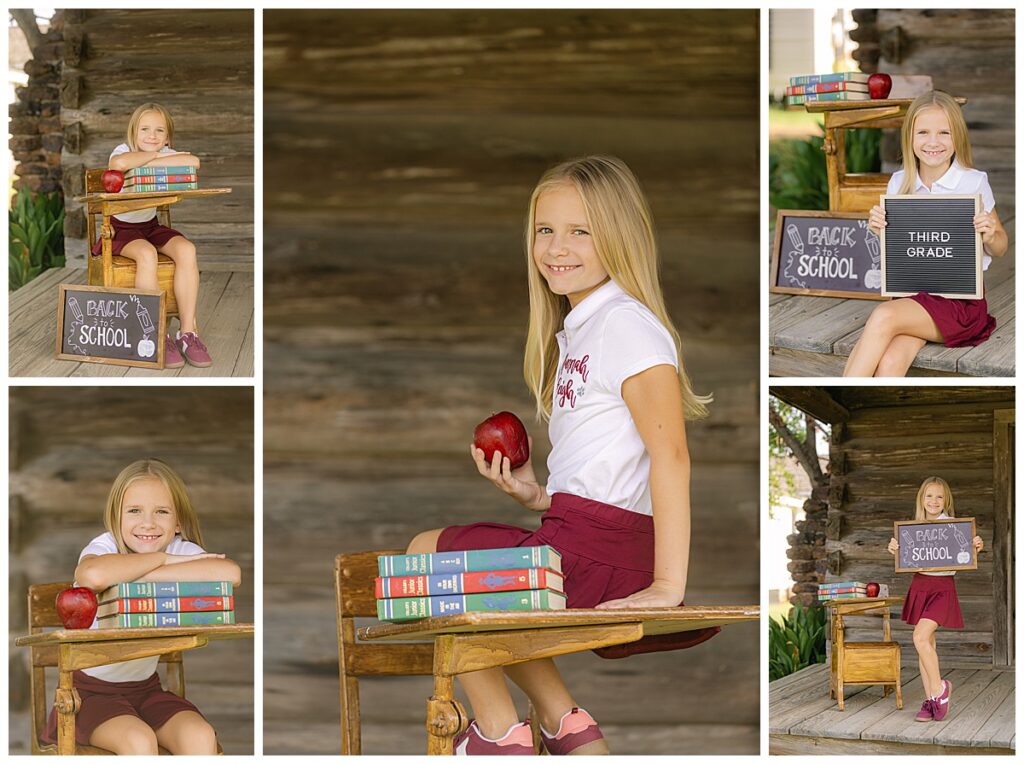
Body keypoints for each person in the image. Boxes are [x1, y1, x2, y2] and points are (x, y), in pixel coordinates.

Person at [405, 156, 719, 755]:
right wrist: (539, 496)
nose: (557, 247)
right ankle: (566, 726)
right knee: (494, 595)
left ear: (619, 236)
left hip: (606, 550)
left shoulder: (627, 325)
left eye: (581, 231)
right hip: (581, 532)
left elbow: (671, 456)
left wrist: (669, 583)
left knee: (430, 555)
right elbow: (609, 467)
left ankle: (499, 732)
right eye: (545, 230)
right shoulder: (580, 327)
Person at [42, 459, 242, 754]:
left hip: (146, 691)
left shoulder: (178, 547)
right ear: (116, 518)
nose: (148, 523)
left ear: (177, 522)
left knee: (200, 736)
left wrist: (141, 570)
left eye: (161, 512)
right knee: (139, 741)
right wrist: (163, 560)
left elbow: (230, 574)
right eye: (134, 511)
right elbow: (92, 575)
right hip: (88, 695)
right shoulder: (105, 547)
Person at [843, 91, 1008, 377]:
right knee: (891, 361)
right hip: (912, 297)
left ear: (957, 136)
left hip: (959, 303)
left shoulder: (973, 182)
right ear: (910, 137)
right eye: (923, 132)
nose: (933, 142)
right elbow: (905, 252)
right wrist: (879, 230)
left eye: (944, 132)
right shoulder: (898, 183)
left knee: (883, 316)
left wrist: (990, 234)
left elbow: (1001, 248)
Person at [96, 103, 211, 368]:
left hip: (150, 226)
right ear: (133, 133)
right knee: (147, 254)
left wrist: (158, 154)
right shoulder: (123, 150)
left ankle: (187, 332)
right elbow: (120, 164)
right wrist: (158, 156)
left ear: (168, 136)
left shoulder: (164, 150)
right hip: (120, 229)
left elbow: (194, 162)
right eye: (145, 129)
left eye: (160, 131)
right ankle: (155, 332)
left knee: (187, 249)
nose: (152, 135)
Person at [887, 476, 983, 722]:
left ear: (946, 500)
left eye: (939, 496)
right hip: (920, 585)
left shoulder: (954, 526)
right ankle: (931, 700)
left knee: (919, 637)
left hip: (942, 588)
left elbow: (965, 552)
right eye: (929, 495)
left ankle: (940, 689)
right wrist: (895, 548)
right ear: (922, 498)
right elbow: (906, 558)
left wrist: (975, 545)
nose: (934, 501)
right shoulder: (911, 530)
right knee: (926, 645)